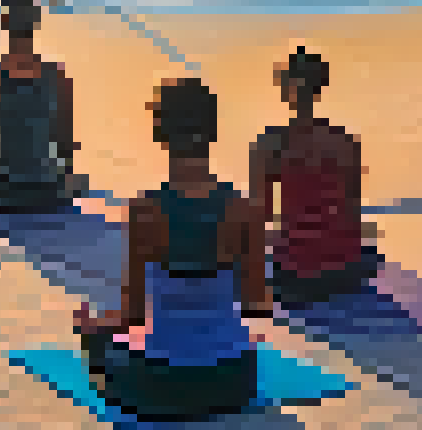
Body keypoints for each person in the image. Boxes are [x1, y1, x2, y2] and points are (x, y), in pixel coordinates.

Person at [74, 78, 273, 421]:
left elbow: (131, 316)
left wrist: (92, 327)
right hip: (235, 382)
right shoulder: (246, 210)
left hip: (166, 384)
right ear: (212, 132)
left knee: (98, 349)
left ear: (160, 136)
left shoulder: (144, 211)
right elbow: (258, 304)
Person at [251, 47, 377, 306]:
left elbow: (259, 216)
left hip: (297, 274)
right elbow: (352, 211)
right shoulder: (345, 141)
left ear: (290, 88)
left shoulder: (271, 143)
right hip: (345, 269)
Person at [0, 0, 83, 211]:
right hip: (46, 184)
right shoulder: (57, 75)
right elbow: (65, 141)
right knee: (76, 181)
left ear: (4, 23)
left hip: (2, 185)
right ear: (36, 24)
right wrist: (65, 174)